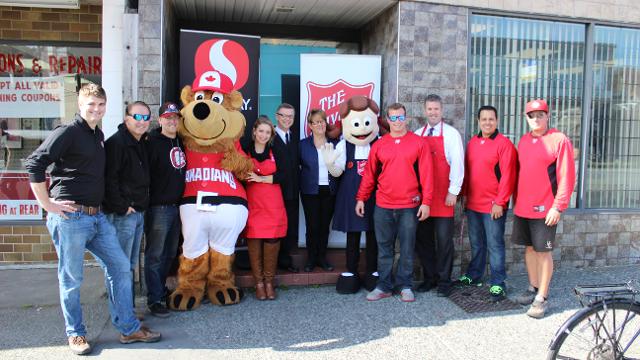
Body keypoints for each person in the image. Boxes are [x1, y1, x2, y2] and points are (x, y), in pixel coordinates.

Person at [25, 84, 160, 355]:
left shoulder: (97, 134)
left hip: (97, 217)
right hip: (70, 218)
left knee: (121, 267)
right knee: (72, 278)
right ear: (80, 105)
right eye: (91, 105)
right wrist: (47, 204)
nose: (96, 110)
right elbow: (35, 163)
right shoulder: (68, 132)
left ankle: (128, 327)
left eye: (100, 105)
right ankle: (75, 334)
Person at [356, 102, 433, 303]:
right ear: (387, 120)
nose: (397, 122)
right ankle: (384, 286)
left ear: (405, 118)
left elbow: (427, 175)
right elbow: (369, 175)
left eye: (400, 117)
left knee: (407, 248)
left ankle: (405, 285)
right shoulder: (379, 145)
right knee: (384, 248)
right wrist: (361, 198)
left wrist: (426, 202)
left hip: (409, 205)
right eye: (393, 118)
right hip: (383, 206)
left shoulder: (419, 143)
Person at [512, 99, 575, 318]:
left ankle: (542, 297)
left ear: (548, 116)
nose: (536, 119)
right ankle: (533, 288)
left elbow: (567, 176)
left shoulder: (559, 140)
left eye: (540, 114)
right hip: (523, 207)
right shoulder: (524, 141)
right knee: (529, 249)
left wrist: (557, 207)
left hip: (546, 209)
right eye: (532, 115)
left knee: (543, 252)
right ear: (526, 118)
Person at [322, 96, 380, 293]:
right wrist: (330, 164)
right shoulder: (343, 145)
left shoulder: (379, 143)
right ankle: (352, 270)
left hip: (375, 196)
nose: (362, 129)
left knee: (374, 235)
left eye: (366, 123)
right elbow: (338, 172)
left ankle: (373, 270)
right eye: (357, 123)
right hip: (351, 196)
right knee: (353, 236)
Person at [458, 105, 517, 301]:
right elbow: (468, 172)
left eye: (491, 119)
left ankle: (498, 283)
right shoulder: (473, 143)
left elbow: (508, 176)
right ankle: (475, 275)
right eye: (484, 119)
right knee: (476, 243)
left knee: (495, 245)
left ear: (497, 121)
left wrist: (500, 202)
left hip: (493, 206)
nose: (487, 122)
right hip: (473, 204)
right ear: (478, 121)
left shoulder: (504, 144)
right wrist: (464, 195)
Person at [414, 94, 465, 297]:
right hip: (424, 198)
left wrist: (454, 192)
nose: (433, 112)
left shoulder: (452, 134)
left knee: (444, 241)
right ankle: (430, 278)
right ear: (424, 111)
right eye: (429, 109)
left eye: (436, 109)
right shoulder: (418, 134)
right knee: (423, 240)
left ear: (442, 111)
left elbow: (458, 164)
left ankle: (444, 281)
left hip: (445, 196)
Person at [103, 100, 151, 312]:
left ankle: (127, 312)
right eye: (137, 117)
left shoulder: (140, 142)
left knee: (130, 266)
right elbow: (109, 179)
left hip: (138, 212)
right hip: (124, 215)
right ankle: (122, 316)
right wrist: (122, 206)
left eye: (146, 117)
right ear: (126, 118)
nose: (142, 121)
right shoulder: (117, 143)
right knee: (119, 267)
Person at [144, 102, 186, 317]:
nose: (172, 121)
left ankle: (160, 291)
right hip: (159, 208)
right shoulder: (152, 142)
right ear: (160, 120)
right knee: (155, 255)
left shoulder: (180, 141)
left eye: (175, 118)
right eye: (168, 117)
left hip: (178, 207)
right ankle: (155, 299)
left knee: (170, 253)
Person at [241, 116, 288, 300]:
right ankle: (258, 283)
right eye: (261, 131)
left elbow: (285, 174)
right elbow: (239, 171)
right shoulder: (245, 149)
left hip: (273, 202)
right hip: (253, 201)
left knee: (272, 240)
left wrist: (261, 178)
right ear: (254, 131)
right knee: (254, 239)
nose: (263, 135)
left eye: (267, 132)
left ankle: (269, 282)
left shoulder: (276, 149)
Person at [299, 109, 338, 272]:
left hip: (329, 190)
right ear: (310, 125)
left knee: (324, 226)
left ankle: (322, 257)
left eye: (322, 121)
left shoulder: (335, 144)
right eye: (316, 122)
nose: (319, 125)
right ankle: (311, 258)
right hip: (310, 191)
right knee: (312, 226)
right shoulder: (302, 145)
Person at [272, 103, 300, 273]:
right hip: (274, 191)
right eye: (284, 115)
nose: (287, 119)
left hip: (293, 191)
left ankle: (285, 260)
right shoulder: (269, 137)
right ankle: (272, 263)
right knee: (275, 227)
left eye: (290, 116)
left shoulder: (295, 137)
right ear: (277, 116)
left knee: (289, 227)